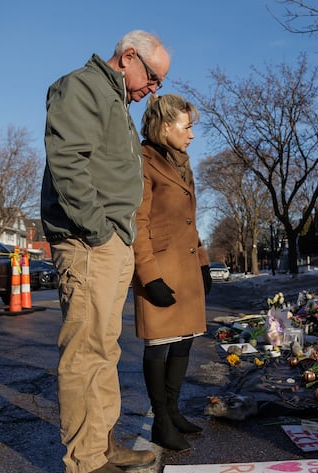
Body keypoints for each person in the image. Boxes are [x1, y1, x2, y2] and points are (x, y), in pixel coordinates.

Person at [41, 30, 170, 473]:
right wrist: (97, 230)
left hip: (109, 240)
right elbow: (67, 163)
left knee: (105, 348)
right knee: (85, 352)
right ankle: (83, 459)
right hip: (88, 240)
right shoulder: (82, 86)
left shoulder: (115, 100)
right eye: (152, 78)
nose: (153, 88)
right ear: (128, 56)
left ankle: (101, 443)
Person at [132, 94, 211, 451]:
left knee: (184, 339)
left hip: (186, 264)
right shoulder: (143, 161)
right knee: (159, 345)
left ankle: (174, 410)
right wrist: (149, 276)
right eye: (187, 126)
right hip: (160, 266)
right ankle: (161, 421)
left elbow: (189, 221)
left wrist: (204, 262)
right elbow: (138, 221)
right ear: (166, 127)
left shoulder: (181, 162)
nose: (192, 134)